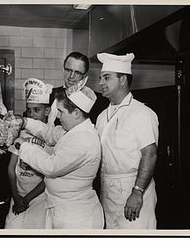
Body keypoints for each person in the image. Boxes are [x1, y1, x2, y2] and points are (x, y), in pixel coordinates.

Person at [15, 77, 104, 229]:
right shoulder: (73, 130)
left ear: (76, 113)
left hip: (75, 216)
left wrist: (24, 147)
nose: (57, 116)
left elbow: (51, 166)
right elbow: (50, 134)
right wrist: (25, 122)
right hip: (62, 208)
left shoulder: (84, 140)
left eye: (61, 112)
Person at [95, 52, 159, 229]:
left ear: (122, 79)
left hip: (134, 190)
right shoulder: (101, 117)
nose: (101, 83)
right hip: (107, 191)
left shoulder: (142, 113)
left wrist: (137, 192)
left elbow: (150, 154)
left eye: (106, 78)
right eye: (100, 78)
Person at [4, 78, 53, 229]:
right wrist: (16, 196)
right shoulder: (22, 133)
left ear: (47, 111)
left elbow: (49, 177)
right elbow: (11, 168)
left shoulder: (52, 137)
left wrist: (26, 199)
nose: (31, 115)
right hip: (18, 195)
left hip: (39, 199)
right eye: (29, 110)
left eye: (36, 110)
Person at [48, 51, 107, 126]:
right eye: (69, 70)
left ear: (84, 76)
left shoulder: (97, 102)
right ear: (63, 70)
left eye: (77, 73)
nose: (71, 76)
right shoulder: (50, 94)